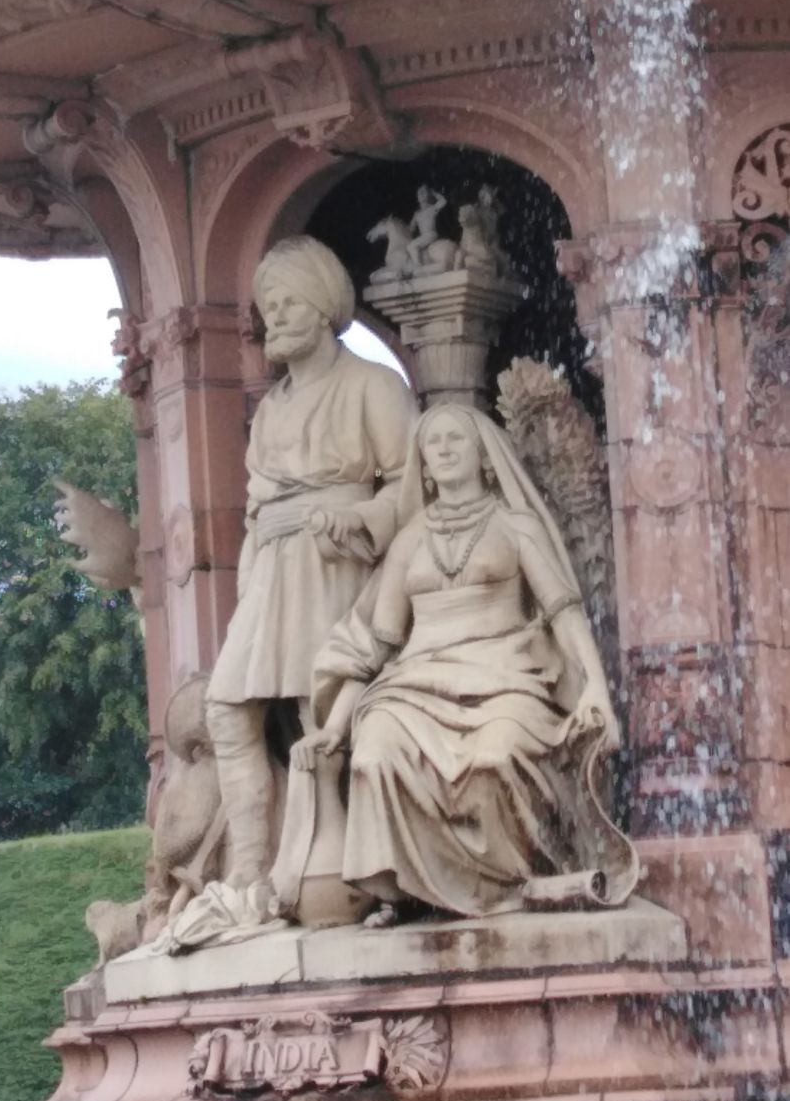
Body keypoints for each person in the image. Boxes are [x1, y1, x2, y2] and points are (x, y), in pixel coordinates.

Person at [291, 403, 637, 923]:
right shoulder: (409, 540)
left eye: (457, 439)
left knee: (495, 756)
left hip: (505, 677)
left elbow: (564, 613)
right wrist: (334, 726)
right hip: (414, 683)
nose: (446, 449)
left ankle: (509, 888)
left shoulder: (516, 526)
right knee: (374, 755)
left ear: (483, 455)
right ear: (424, 465)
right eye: (434, 444)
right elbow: (377, 647)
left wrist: (595, 691)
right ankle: (411, 892)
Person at [205, 235, 417, 894]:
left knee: (317, 710)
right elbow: (252, 513)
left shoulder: (372, 386)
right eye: (269, 306)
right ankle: (250, 865)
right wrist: (247, 583)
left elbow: (410, 482)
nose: (276, 319)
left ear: (325, 307)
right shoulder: (271, 409)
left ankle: (347, 869)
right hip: (270, 572)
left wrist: (359, 522)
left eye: (290, 303)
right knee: (224, 709)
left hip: (335, 563)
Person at [407, 185, 447, 267]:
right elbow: (411, 229)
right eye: (419, 194)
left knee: (411, 246)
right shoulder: (417, 214)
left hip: (431, 234)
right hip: (424, 236)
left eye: (423, 193)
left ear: (428, 195)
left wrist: (434, 193)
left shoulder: (432, 208)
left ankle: (418, 266)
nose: (421, 195)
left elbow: (443, 201)